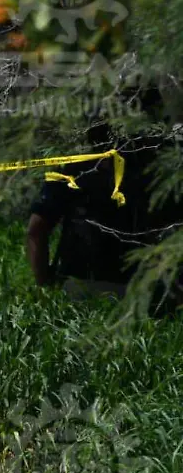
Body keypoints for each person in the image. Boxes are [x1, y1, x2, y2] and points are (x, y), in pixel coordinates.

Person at [26, 88, 182, 313]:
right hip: (140, 295)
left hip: (88, 291)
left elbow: (36, 231)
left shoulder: (73, 169)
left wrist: (43, 283)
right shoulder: (165, 176)